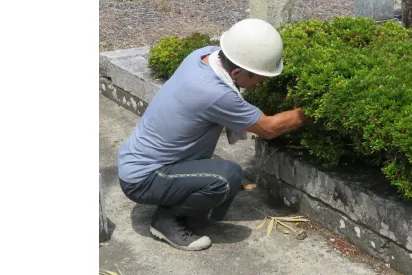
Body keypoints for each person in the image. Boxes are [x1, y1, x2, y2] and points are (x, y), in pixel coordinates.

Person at [117, 19, 308, 251]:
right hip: (144, 178)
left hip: (140, 160)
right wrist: (314, 110)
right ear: (237, 72)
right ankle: (166, 220)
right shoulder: (215, 93)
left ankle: (186, 204)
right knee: (226, 177)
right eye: (260, 77)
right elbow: (269, 128)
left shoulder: (205, 55)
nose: (262, 82)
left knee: (218, 188)